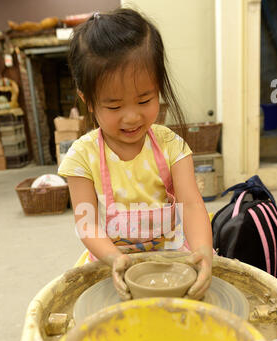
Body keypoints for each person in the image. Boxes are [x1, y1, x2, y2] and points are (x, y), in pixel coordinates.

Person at [58, 8, 213, 301]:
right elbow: (86, 221)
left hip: (172, 261)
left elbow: (192, 205)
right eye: (114, 106)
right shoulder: (82, 156)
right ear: (87, 100)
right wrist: (114, 258)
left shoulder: (171, 146)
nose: (131, 117)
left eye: (145, 99)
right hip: (111, 262)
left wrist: (204, 249)